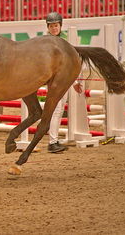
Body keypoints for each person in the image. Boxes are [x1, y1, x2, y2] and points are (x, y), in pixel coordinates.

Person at [45, 12, 83, 153]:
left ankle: (53, 140)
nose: (54, 28)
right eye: (51, 26)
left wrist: (75, 82)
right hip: (55, 81)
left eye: (56, 25)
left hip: (64, 80)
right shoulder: (46, 42)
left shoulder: (65, 41)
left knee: (59, 110)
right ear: (48, 27)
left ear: (60, 26)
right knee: (56, 110)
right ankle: (52, 142)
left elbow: (73, 61)